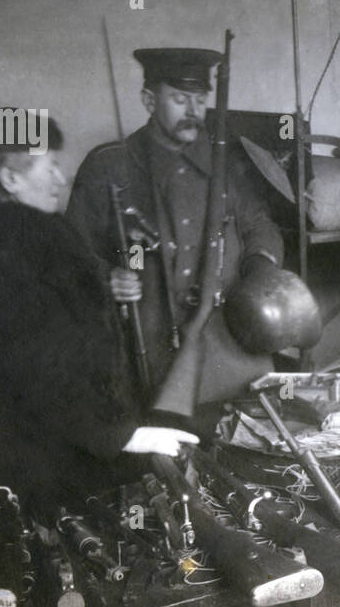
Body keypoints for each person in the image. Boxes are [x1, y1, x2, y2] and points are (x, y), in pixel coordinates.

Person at [0, 113, 197, 518]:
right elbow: (34, 366)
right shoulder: (16, 246)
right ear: (10, 179)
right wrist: (126, 437)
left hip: (13, 446)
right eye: (50, 166)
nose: (61, 179)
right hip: (34, 460)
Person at [66, 48, 285, 404]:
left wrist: (260, 267)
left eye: (200, 100)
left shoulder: (226, 162)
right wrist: (106, 277)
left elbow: (260, 225)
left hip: (228, 343)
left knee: (248, 441)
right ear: (149, 100)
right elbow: (70, 251)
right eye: (180, 99)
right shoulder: (109, 166)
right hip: (146, 347)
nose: (193, 112)